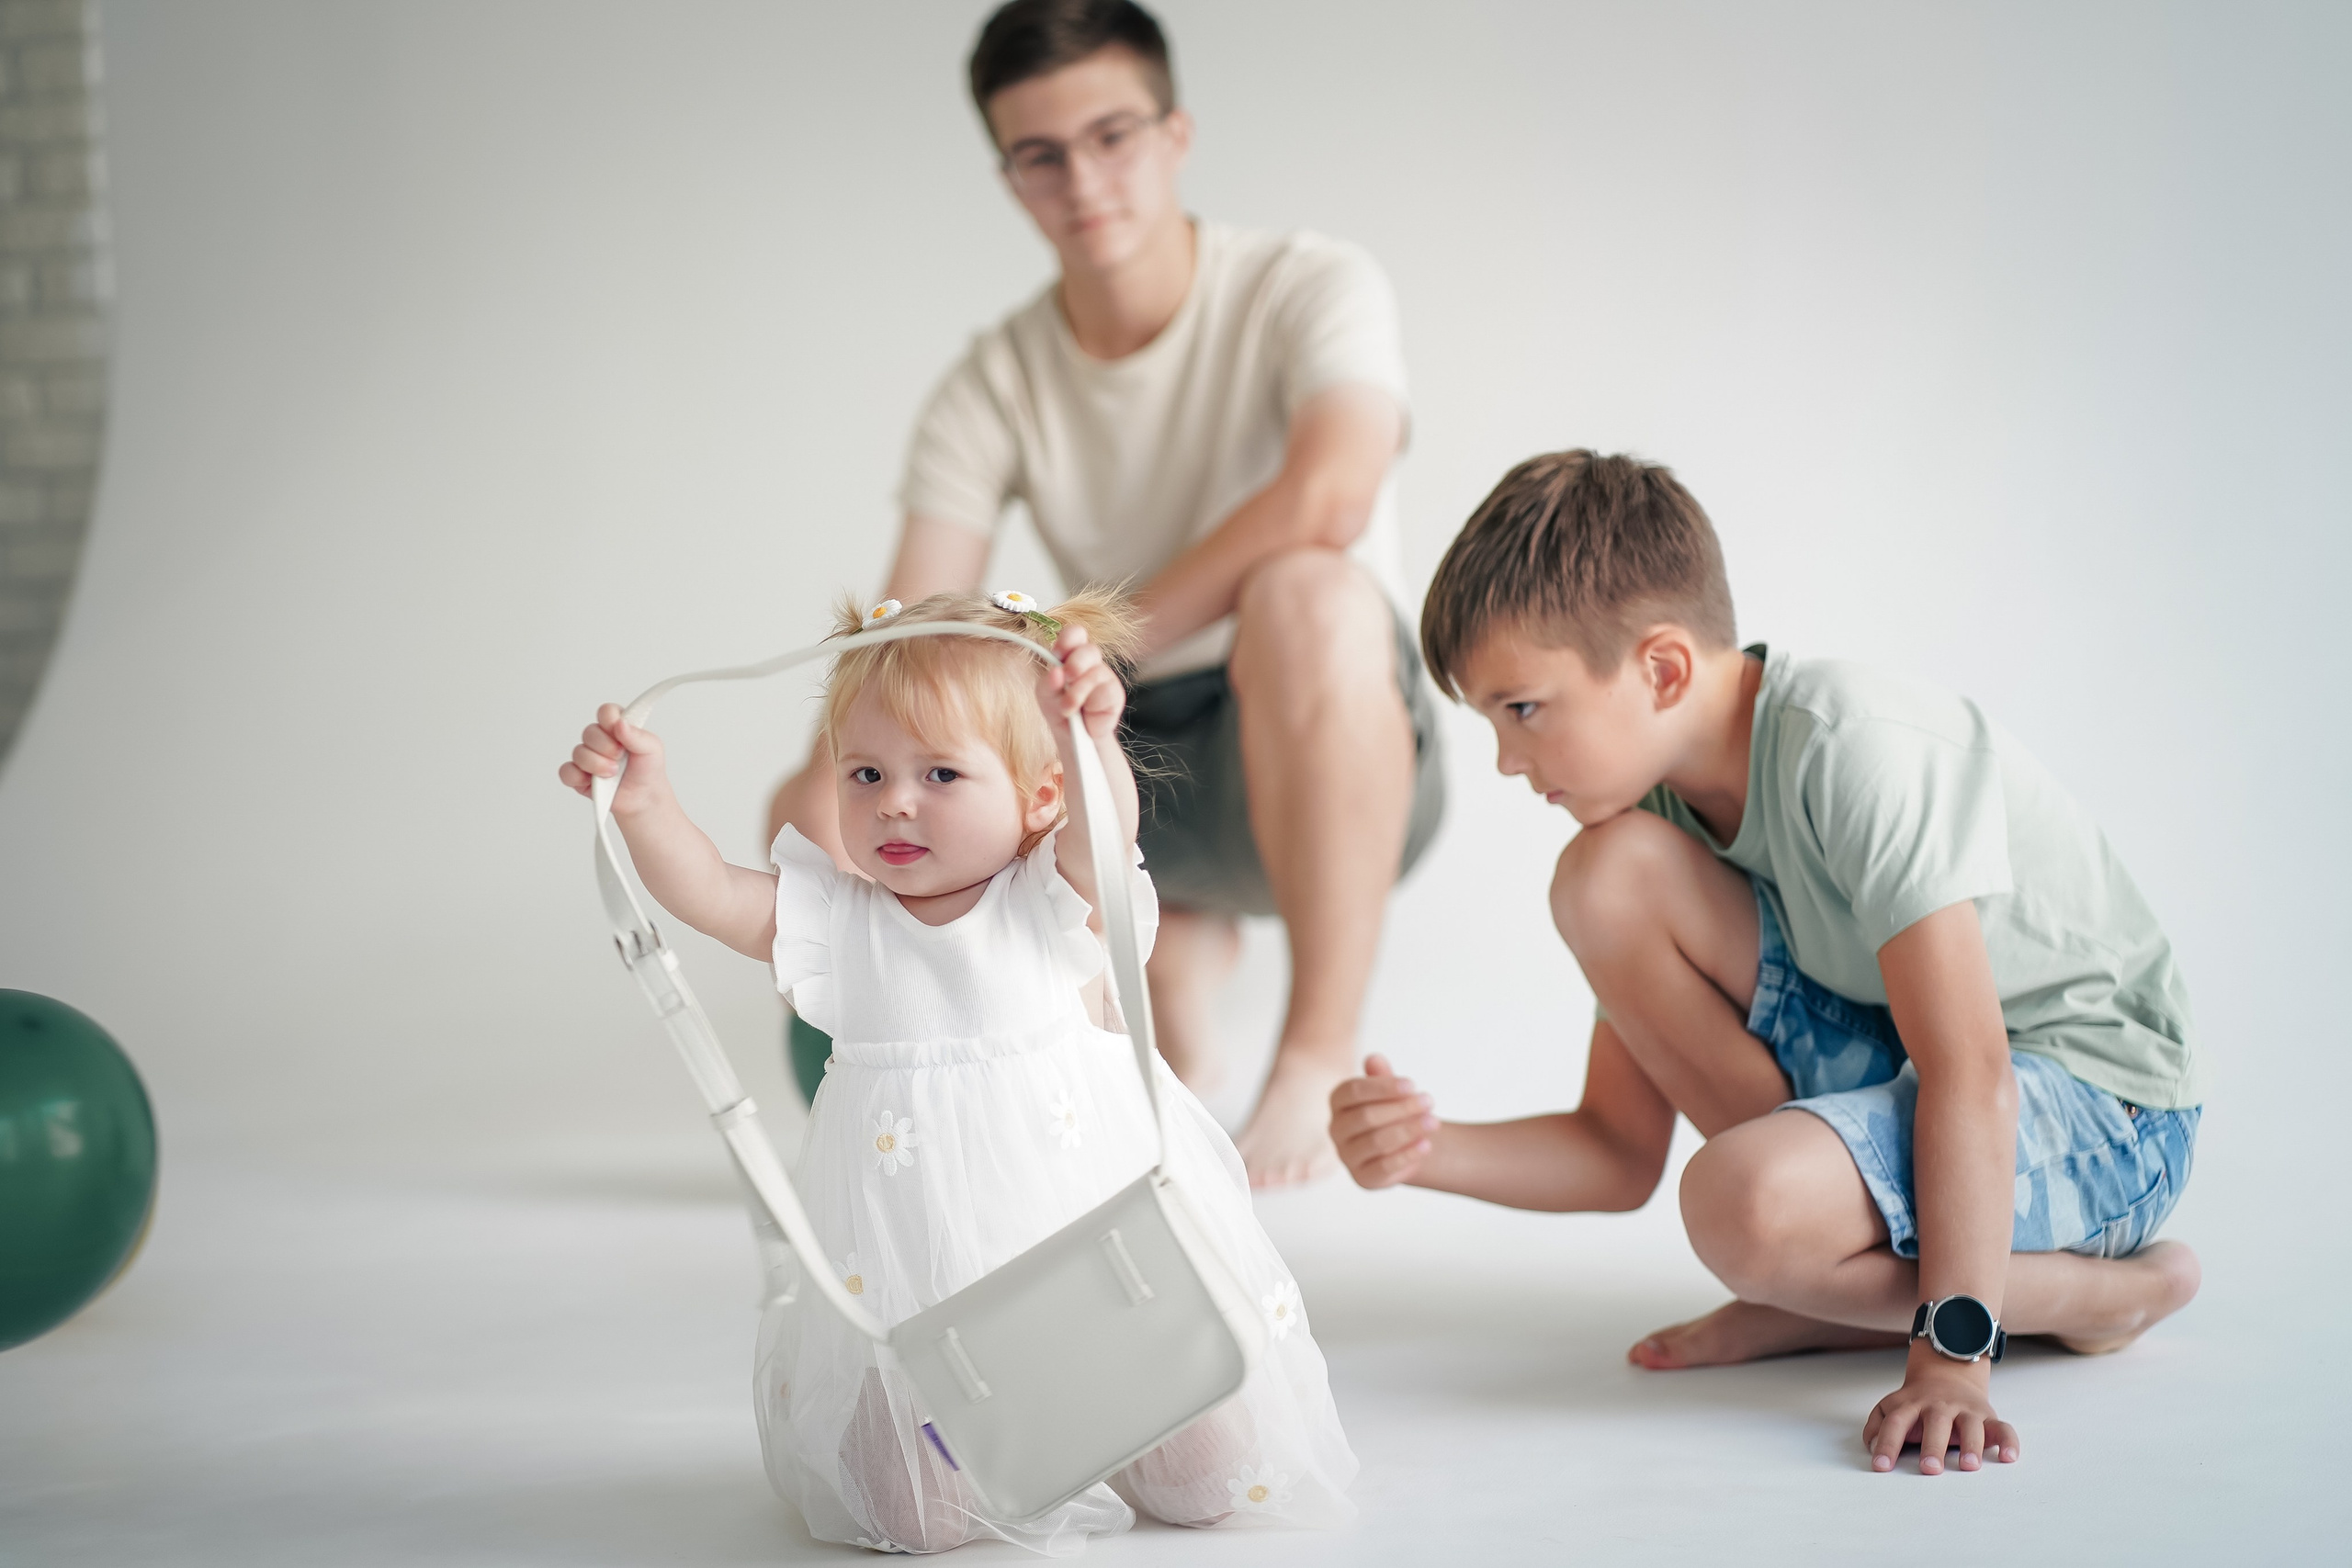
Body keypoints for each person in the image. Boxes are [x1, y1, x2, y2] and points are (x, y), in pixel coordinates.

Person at [1329, 451, 2204, 1476]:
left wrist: (1949, 1363)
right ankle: (1814, 1284)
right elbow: (1617, 1152)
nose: (1507, 761)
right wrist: (1422, 1152)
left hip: (2104, 1111)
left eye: (1522, 709)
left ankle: (2099, 1296)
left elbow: (1970, 1073)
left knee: (1738, 1205)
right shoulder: (1652, 811)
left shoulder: (1852, 749)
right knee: (1601, 881)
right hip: (1929, 1094)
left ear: (1660, 668)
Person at [765, 0, 1443, 1187]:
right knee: (822, 788)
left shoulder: (1310, 284)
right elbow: (906, 633)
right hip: (1122, 768)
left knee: (1306, 593)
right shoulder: (991, 381)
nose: (1083, 179)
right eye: (1042, 154)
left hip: (1333, 746)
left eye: (1114, 135)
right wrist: (829, 794)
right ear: (1010, 176)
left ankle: (1310, 1054)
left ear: (1175, 134)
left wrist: (1084, 644)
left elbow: (1332, 494)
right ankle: (1171, 958)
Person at [561, 591, 1357, 1551]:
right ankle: (936, 1449)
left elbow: (1108, 835)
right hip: (923, 1262)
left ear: (1040, 795)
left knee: (1207, 1482)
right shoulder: (843, 923)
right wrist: (648, 808)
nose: (894, 800)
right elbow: (713, 895)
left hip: (1088, 1237)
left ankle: (1141, 1421)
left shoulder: (1045, 900)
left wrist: (1089, 739)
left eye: (940, 772)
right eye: (865, 772)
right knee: (910, 1521)